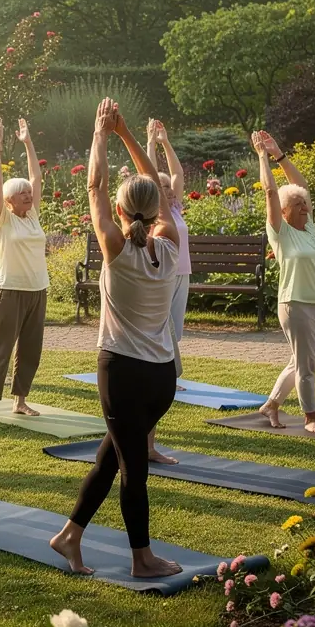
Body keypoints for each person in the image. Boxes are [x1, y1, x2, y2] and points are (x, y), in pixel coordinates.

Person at [49, 99, 182, 579]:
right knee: (114, 458)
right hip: (161, 378)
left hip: (123, 372)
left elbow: (95, 185)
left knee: (131, 467)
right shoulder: (170, 244)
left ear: (122, 211)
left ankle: (142, 559)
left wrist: (101, 134)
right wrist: (130, 135)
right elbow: (161, 199)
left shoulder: (115, 249)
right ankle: (70, 535)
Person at [252, 130, 315, 434]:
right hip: (296, 305)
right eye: (296, 204)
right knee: (307, 366)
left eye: (304, 203)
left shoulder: (309, 229)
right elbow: (271, 192)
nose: (303, 205)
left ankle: (271, 404)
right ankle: (310, 417)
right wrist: (262, 156)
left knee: (300, 361)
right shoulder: (281, 232)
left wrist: (279, 155)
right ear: (283, 213)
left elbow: (300, 185)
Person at [0, 116, 48, 419]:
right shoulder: (2, 219)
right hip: (9, 290)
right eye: (23, 194)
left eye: (29, 194)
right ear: (8, 201)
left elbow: (37, 177)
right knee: (0, 349)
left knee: (30, 349)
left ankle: (20, 400)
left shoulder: (32, 215)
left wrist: (27, 142)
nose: (29, 196)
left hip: (37, 288)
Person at [145, 117, 192, 465]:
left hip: (183, 274)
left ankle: (172, 374)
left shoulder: (175, 207)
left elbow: (176, 172)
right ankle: (168, 376)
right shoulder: (158, 212)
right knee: (167, 328)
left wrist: (165, 142)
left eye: (173, 191)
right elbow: (149, 174)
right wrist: (148, 145)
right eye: (167, 191)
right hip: (164, 276)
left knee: (176, 325)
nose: (173, 193)